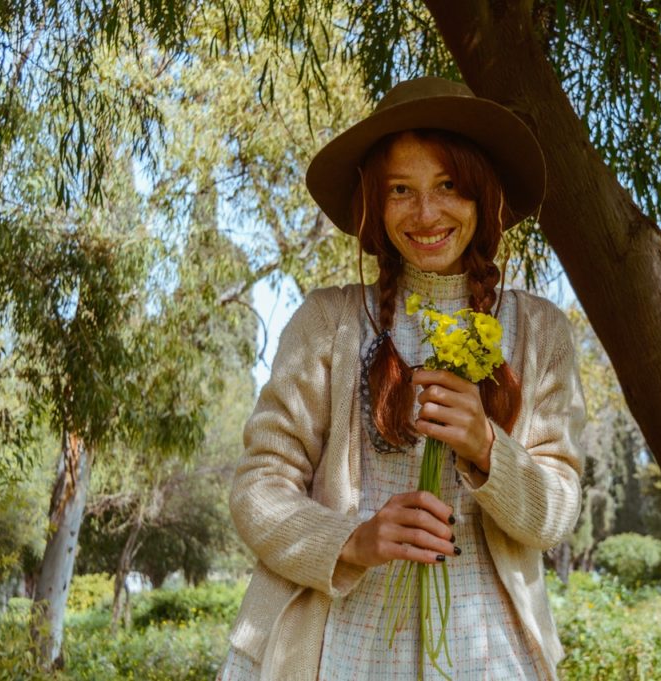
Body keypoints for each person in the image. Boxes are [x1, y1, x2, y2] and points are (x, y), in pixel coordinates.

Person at [221, 77, 585, 680]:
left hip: (487, 654)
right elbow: (258, 487)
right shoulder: (328, 322)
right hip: (338, 649)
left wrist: (486, 446)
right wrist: (352, 541)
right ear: (373, 204)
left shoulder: (539, 331)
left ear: (483, 196)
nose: (426, 213)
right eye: (400, 190)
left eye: (448, 186)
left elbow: (555, 513)